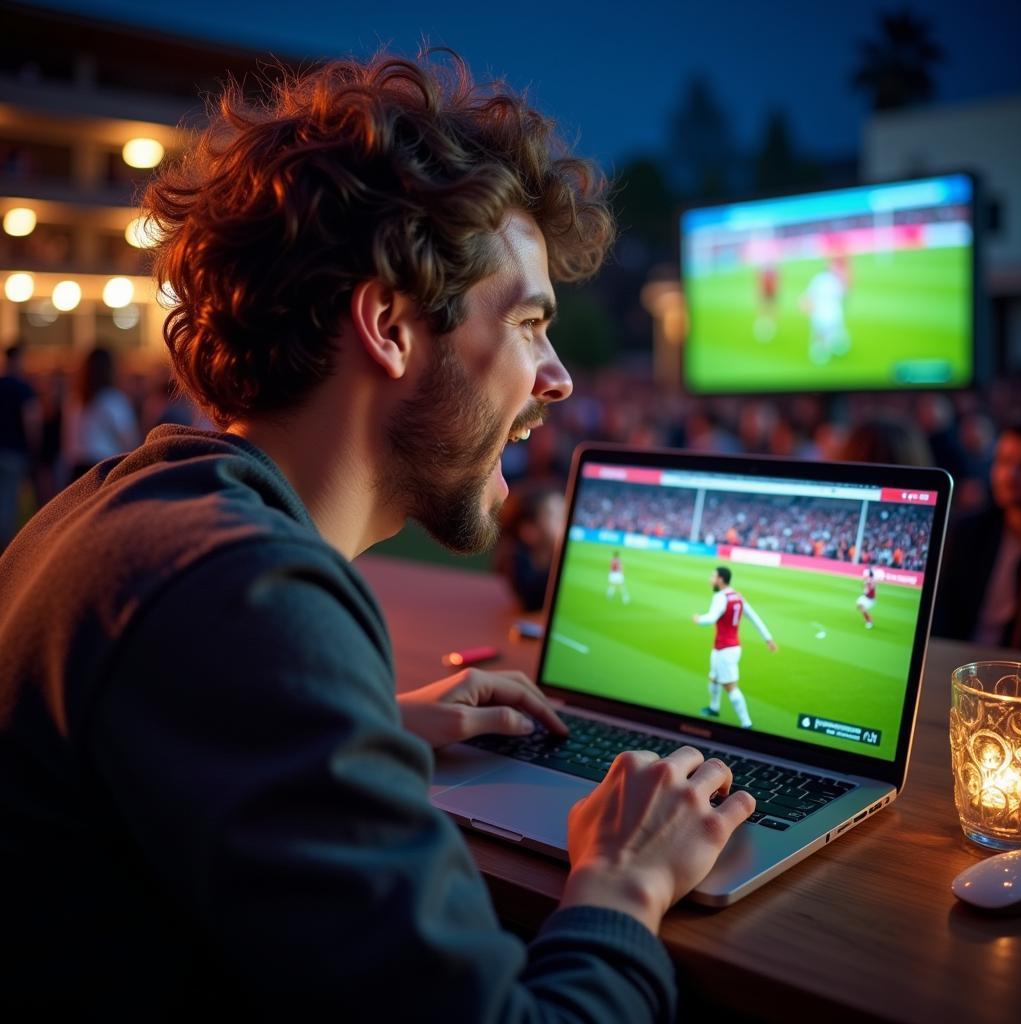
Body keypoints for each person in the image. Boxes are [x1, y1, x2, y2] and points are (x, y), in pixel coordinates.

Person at [0, 54, 755, 1015]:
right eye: (528, 323)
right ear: (390, 326)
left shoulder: (124, 503)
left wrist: (359, 728)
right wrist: (624, 884)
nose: (557, 378)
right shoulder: (247, 597)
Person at [933, 419, 1021, 647]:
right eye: (1003, 462)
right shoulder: (968, 532)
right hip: (961, 662)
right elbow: (944, 613)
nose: (1010, 475)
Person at [692, 566, 778, 728]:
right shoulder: (738, 596)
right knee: (713, 677)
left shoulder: (720, 597)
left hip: (726, 650)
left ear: (721, 580)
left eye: (713, 576)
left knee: (731, 687)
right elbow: (754, 617)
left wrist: (698, 619)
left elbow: (710, 619)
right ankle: (714, 708)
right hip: (725, 648)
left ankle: (746, 723)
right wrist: (768, 639)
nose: (710, 579)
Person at [63, 345, 140, 480]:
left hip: (76, 467)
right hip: (104, 467)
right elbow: (128, 440)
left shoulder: (75, 400)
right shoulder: (113, 400)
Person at [495, 480, 565, 611]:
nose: (565, 522)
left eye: (564, 512)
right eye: (554, 516)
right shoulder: (522, 571)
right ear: (529, 532)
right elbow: (532, 601)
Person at [0, 342, 40, 548]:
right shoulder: (23, 388)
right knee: (8, 503)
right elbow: (31, 421)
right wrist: (34, 448)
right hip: (15, 452)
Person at [800, 255, 850, 365]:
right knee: (830, 334)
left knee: (821, 335)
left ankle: (821, 353)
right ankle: (829, 350)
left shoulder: (818, 279)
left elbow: (808, 297)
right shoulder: (834, 280)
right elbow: (843, 295)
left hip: (820, 314)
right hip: (831, 314)